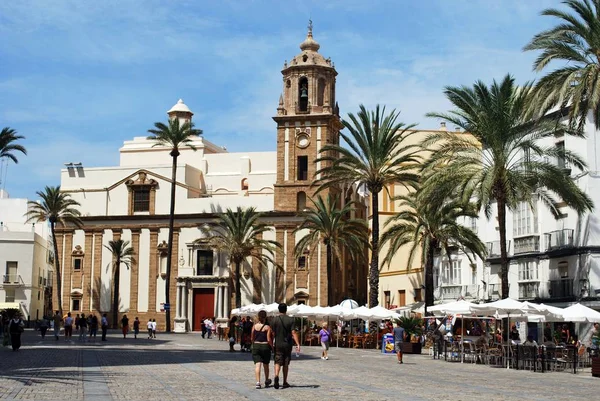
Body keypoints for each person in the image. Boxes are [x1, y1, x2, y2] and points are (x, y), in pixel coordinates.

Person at [270, 303, 300, 389]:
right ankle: (284, 381)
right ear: (286, 310)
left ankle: (276, 375)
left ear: (278, 309)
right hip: (287, 344)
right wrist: (297, 343)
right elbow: (293, 332)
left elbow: (271, 333)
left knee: (277, 361)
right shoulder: (291, 320)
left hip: (278, 344)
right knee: (286, 363)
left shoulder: (274, 320)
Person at [251, 310, 273, 389]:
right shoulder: (267, 327)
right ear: (265, 317)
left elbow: (252, 337)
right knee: (266, 365)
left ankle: (258, 382)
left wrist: (254, 343)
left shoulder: (254, 326)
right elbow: (268, 339)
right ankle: (267, 380)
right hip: (265, 346)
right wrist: (272, 347)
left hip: (256, 346)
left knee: (257, 365)